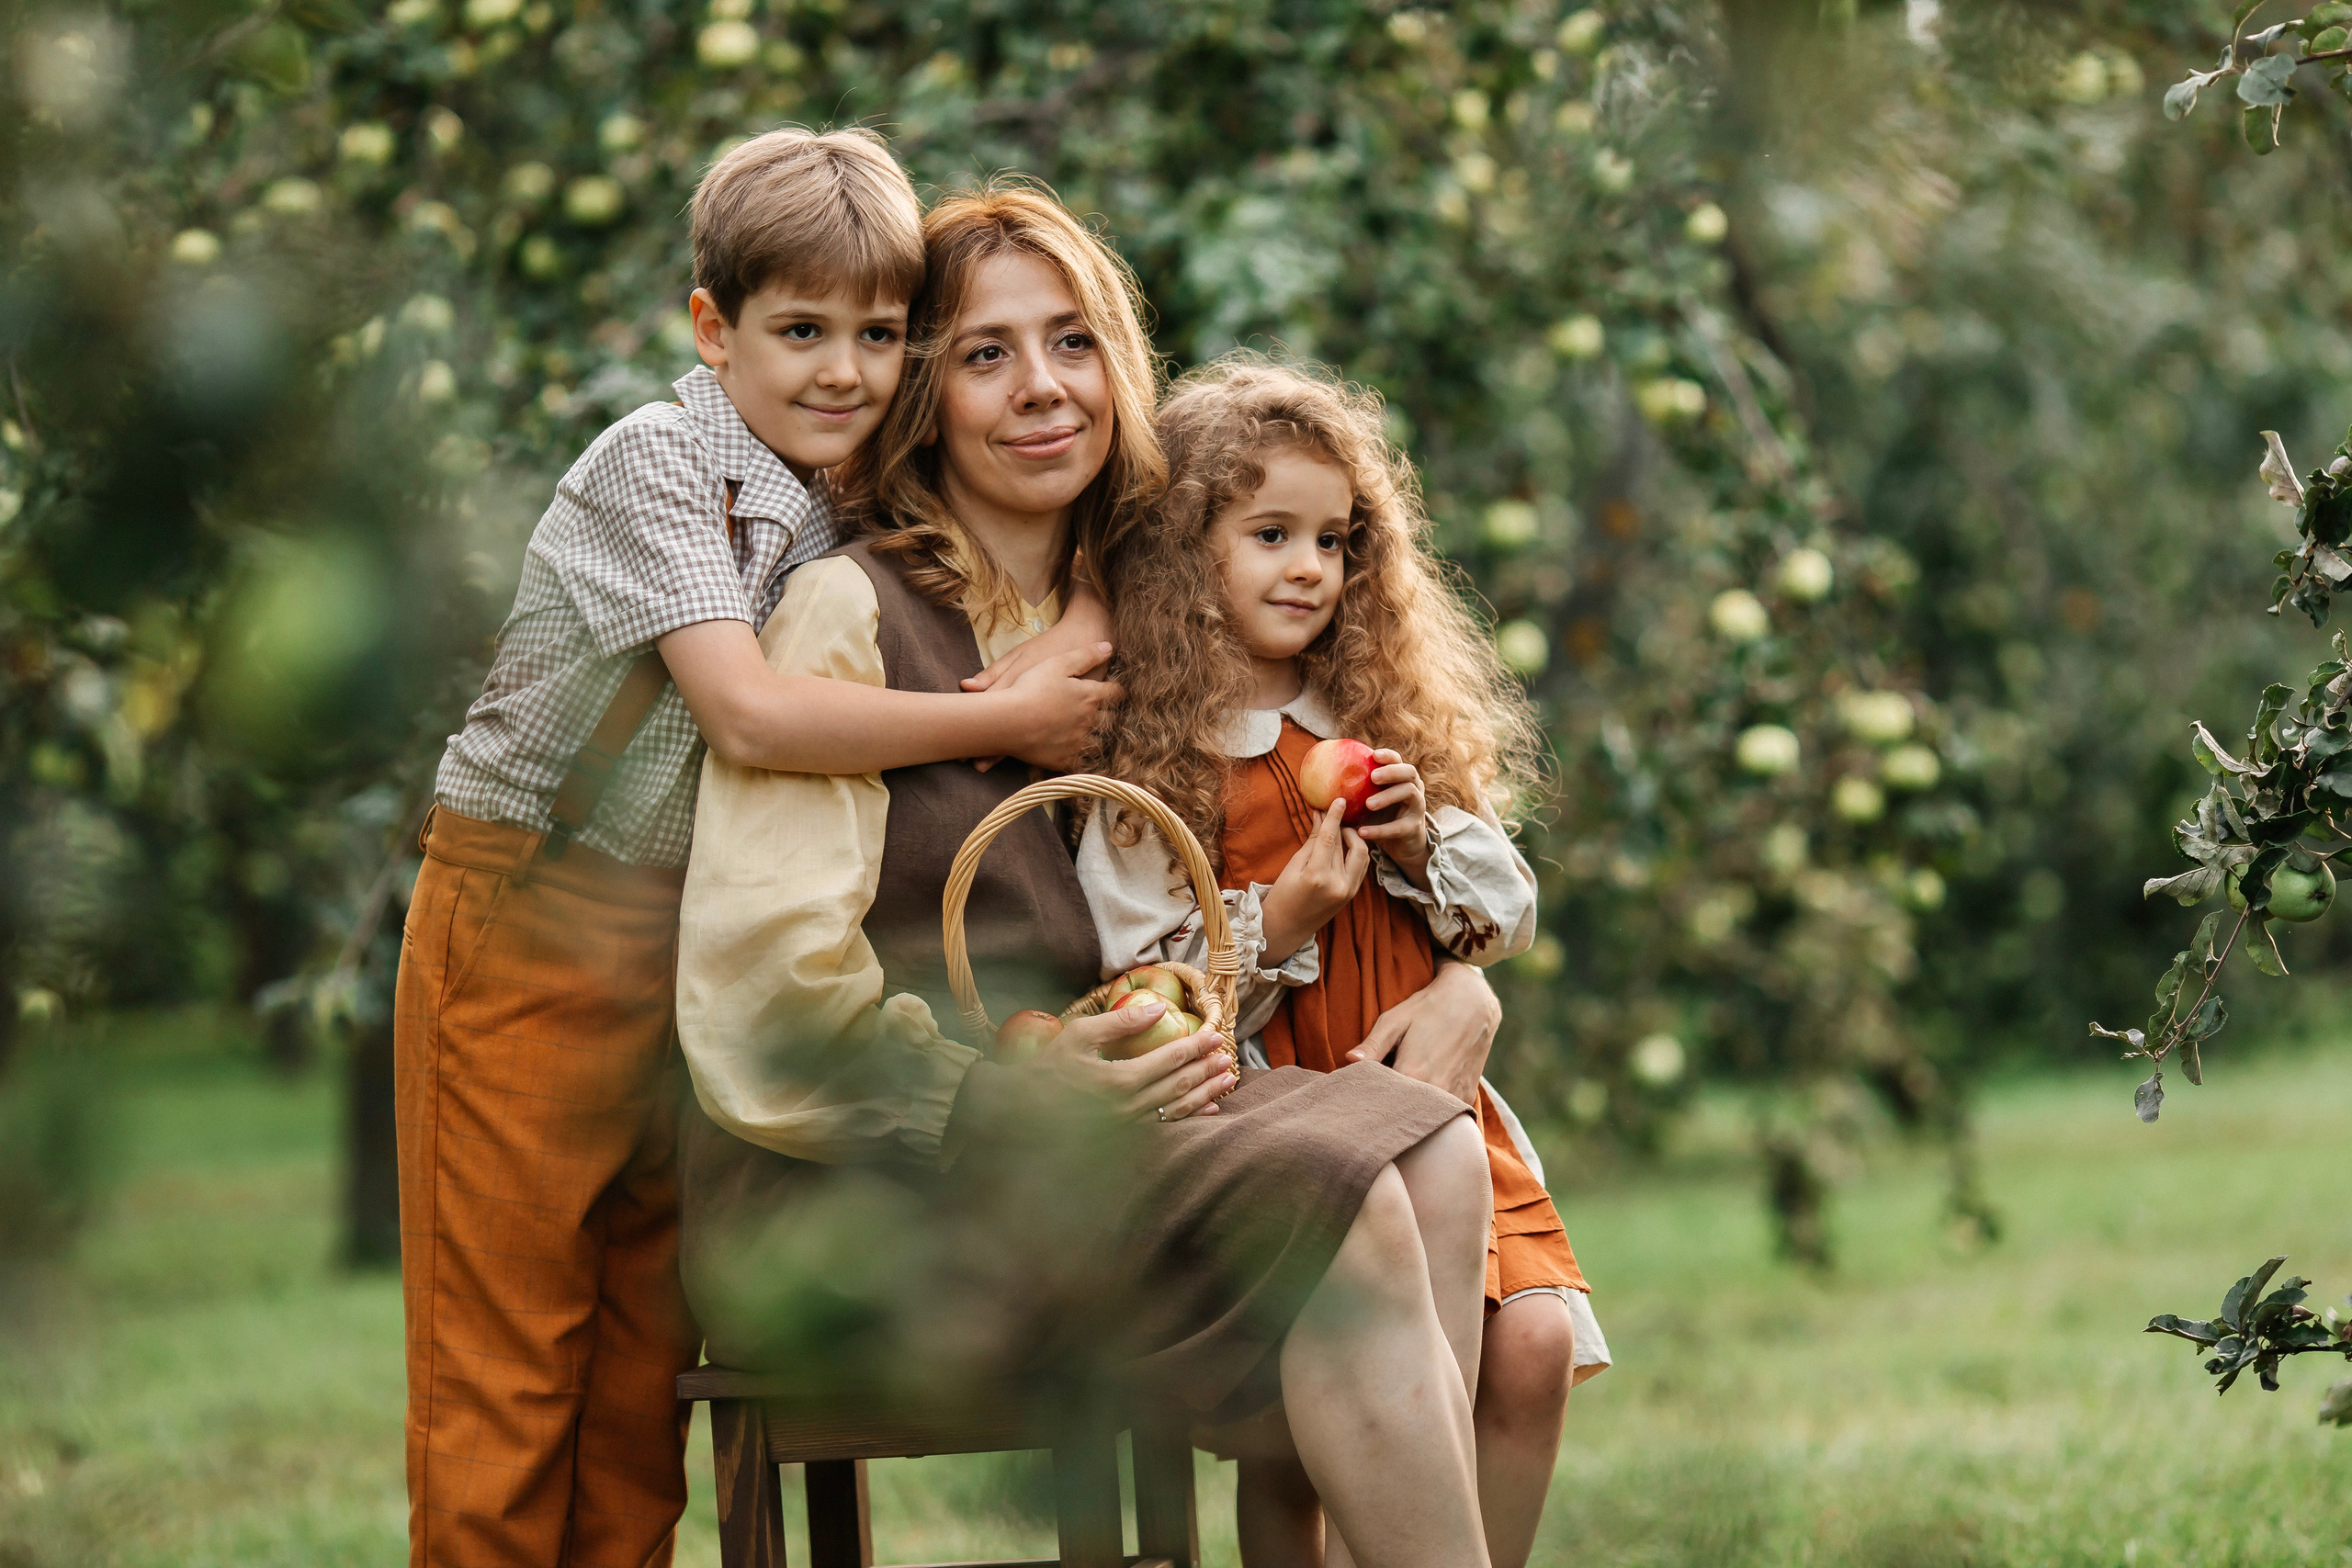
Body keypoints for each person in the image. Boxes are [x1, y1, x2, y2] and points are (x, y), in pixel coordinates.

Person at [673, 181, 1502, 1568]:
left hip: (1085, 1141)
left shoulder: (1141, 620)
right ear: (924, 395)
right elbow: (762, 997)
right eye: (986, 354)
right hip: (874, 1199)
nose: (1042, 389)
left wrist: (1471, 976)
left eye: (1071, 341)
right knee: (1346, 1191)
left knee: (1433, 1149)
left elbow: (1378, 793)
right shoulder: (850, 614)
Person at [392, 129, 1118, 1568]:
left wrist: (1082, 635)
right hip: (526, 923)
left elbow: (1072, 543)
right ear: (712, 330)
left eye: (878, 333)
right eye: (800, 331)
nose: (843, 370)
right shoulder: (660, 463)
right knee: (508, 1366)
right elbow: (745, 711)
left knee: (632, 1379)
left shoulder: (845, 481)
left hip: (684, 945)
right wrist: (1008, 714)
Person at [1079, 355, 1610, 1568]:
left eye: (1335, 538)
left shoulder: (1380, 722)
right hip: (1285, 1108)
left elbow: (1503, 916)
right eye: (1271, 533)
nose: (1310, 566)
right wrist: (1279, 921)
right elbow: (1140, 972)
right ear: (1183, 551)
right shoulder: (1161, 756)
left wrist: (1426, 844)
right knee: (1291, 1451)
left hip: (1437, 1102)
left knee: (1530, 1355)